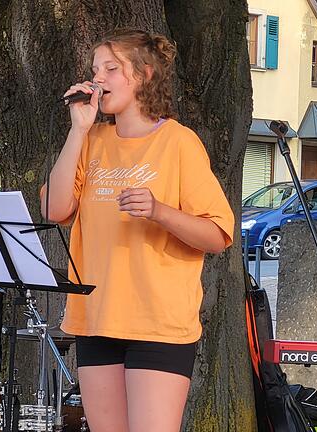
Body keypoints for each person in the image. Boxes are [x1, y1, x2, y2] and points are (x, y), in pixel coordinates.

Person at [41, 29, 234, 432]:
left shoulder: (179, 142)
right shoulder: (90, 139)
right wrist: (77, 129)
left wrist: (160, 211)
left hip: (158, 321)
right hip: (97, 315)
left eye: (111, 69)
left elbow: (217, 235)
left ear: (145, 75)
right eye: (95, 69)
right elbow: (54, 209)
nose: (98, 79)